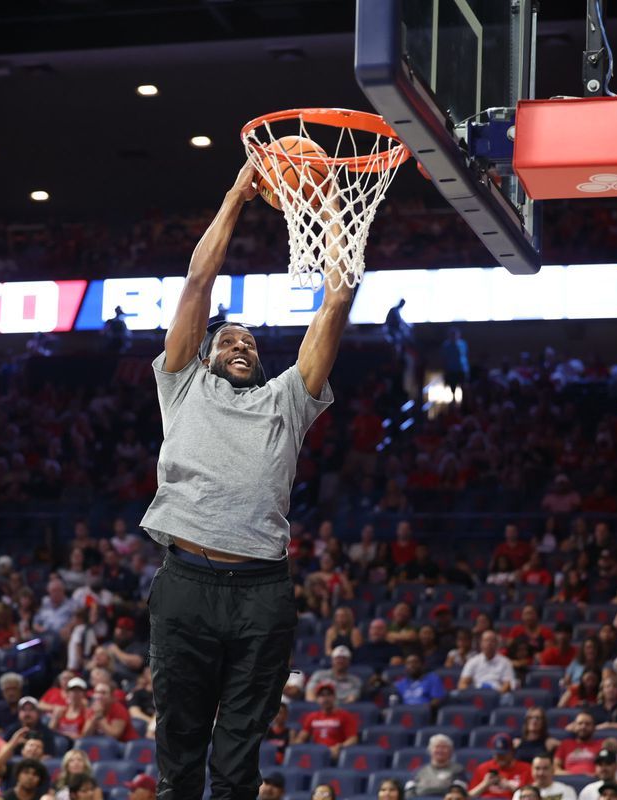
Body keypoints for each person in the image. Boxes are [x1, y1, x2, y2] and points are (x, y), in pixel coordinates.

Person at [138, 160, 352, 800]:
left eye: (251, 341)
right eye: (228, 337)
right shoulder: (181, 385)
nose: (241, 343)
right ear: (203, 353)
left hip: (261, 590)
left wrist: (335, 206)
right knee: (179, 754)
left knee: (237, 765)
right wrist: (237, 192)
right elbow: (198, 280)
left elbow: (338, 296)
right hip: (186, 581)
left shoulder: (288, 399)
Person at [294, 682, 359, 760]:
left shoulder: (345, 716)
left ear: (334, 697)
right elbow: (302, 738)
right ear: (317, 699)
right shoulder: (312, 717)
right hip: (316, 754)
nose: (325, 698)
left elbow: (353, 739)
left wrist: (340, 747)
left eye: (329, 694)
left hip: (336, 754)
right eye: (322, 695)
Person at [469, 735, 531, 799]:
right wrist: (485, 784)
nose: (501, 757)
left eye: (504, 754)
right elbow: (468, 796)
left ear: (512, 752)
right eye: (498, 754)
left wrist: (509, 786)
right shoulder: (483, 768)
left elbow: (531, 796)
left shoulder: (526, 768)